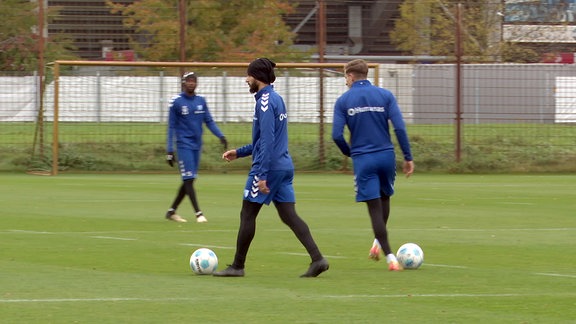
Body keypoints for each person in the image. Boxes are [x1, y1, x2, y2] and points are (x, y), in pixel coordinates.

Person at [213, 58, 329, 278]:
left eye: (248, 76)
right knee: (288, 215)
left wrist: (262, 174)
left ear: (257, 77)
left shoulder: (264, 102)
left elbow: (267, 140)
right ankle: (318, 259)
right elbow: (266, 140)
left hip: (270, 168)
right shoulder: (276, 98)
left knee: (247, 213)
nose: (246, 80)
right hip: (284, 166)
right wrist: (240, 152)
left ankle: (237, 266)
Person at [332, 59, 414, 272]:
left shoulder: (343, 101)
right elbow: (400, 128)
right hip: (386, 156)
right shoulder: (385, 96)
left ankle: (390, 258)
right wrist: (408, 156)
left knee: (374, 209)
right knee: (385, 199)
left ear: (350, 76)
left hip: (363, 159)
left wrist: (350, 153)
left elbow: (336, 135)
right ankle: (377, 244)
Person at [165, 72, 228, 223]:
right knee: (188, 179)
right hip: (183, 145)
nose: (191, 83)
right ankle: (199, 213)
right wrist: (169, 150)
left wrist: (221, 136)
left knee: (189, 180)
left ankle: (171, 211)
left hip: (196, 146)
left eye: (194, 81)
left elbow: (209, 121)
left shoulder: (201, 101)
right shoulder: (177, 102)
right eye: (188, 81)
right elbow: (171, 127)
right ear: (183, 83)